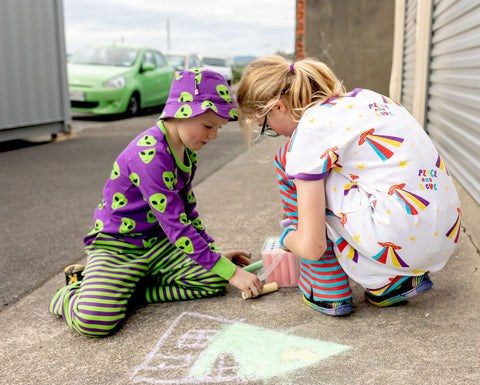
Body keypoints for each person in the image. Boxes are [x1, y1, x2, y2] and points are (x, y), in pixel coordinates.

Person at [236, 55, 461, 316]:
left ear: (277, 108)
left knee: (288, 160)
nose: (275, 133)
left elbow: (312, 246)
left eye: (267, 127)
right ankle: (389, 283)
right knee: (342, 175)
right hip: (445, 232)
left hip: (400, 232)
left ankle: (326, 291)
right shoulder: (366, 98)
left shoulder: (310, 129)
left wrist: (290, 237)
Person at [50, 69, 263, 336]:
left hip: (161, 245)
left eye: (218, 128)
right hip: (118, 247)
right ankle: (72, 292)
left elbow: (187, 212)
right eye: (208, 126)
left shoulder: (185, 153)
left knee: (215, 282)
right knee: (96, 321)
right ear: (182, 111)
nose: (213, 136)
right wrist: (231, 272)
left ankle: (127, 291)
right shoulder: (149, 155)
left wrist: (213, 254)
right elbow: (177, 225)